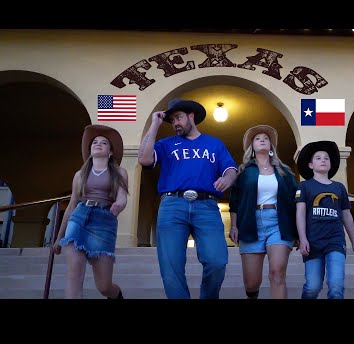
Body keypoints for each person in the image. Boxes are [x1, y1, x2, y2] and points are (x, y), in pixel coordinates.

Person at [138, 98, 238, 299]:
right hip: (172, 205)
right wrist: (155, 124)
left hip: (207, 206)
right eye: (172, 120)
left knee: (217, 260)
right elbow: (144, 159)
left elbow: (230, 169)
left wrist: (227, 178)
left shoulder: (214, 143)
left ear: (191, 116)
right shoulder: (165, 144)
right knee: (171, 265)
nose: (175, 123)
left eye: (179, 118)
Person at [53, 124, 129, 299]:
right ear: (90, 149)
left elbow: (122, 197)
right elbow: (72, 205)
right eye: (95, 142)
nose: (98, 144)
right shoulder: (80, 175)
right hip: (79, 217)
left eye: (104, 142)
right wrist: (58, 238)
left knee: (104, 286)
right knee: (74, 276)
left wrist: (118, 206)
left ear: (110, 151)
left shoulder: (119, 172)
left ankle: (117, 295)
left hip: (104, 221)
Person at [229, 125, 298, 299]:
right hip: (251, 224)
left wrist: (298, 231)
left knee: (277, 273)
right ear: (252, 146)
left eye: (266, 138)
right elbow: (234, 202)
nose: (262, 140)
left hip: (279, 224)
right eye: (258, 138)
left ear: (271, 147)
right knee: (252, 283)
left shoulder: (284, 172)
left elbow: (296, 200)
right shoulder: (244, 172)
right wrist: (234, 226)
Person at [295, 140, 354, 299]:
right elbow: (300, 213)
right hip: (313, 242)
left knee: (336, 285)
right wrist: (302, 239)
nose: (323, 160)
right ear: (310, 165)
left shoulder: (339, 187)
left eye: (326, 158)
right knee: (312, 287)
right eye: (318, 158)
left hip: (335, 241)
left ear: (331, 164)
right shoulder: (304, 186)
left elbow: (346, 215)